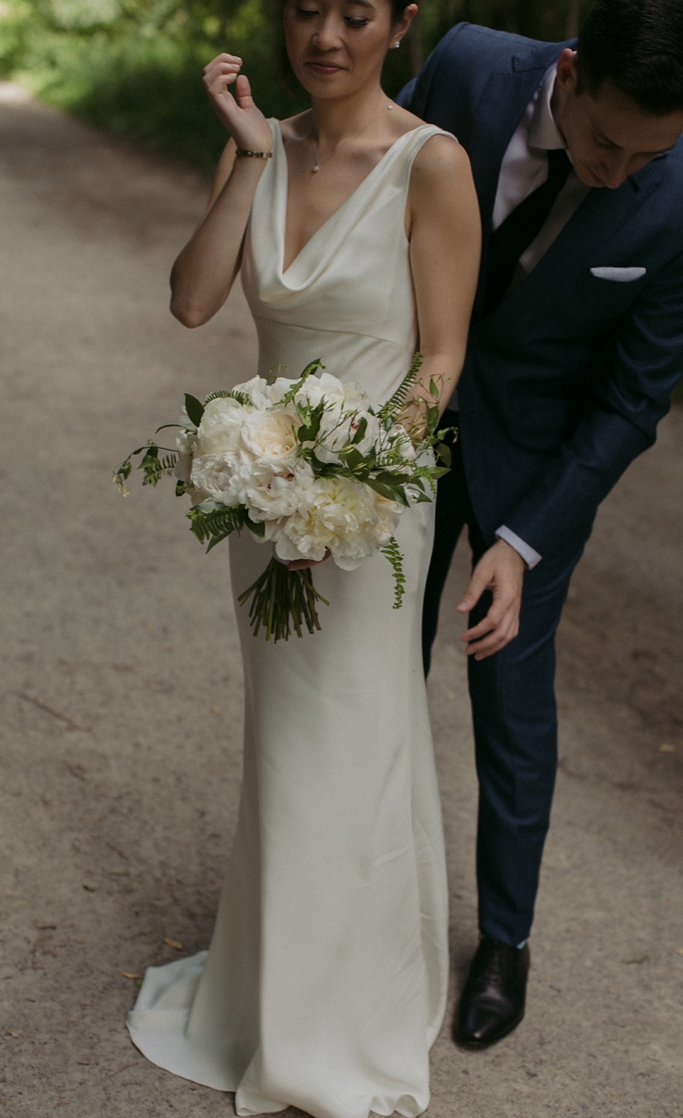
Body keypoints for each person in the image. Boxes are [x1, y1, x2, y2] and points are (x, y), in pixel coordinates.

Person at [124, 2, 481, 1115]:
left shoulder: (433, 163)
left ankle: (347, 1014)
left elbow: (439, 356)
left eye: (355, 12)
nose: (325, 34)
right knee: (286, 746)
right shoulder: (269, 146)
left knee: (352, 738)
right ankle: (272, 990)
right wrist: (246, 153)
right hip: (260, 499)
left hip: (367, 512)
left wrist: (356, 480)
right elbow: (192, 303)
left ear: (400, 21)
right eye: (305, 11)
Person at [402, 0, 683, 1050]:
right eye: (605, 141)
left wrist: (523, 542)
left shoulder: (675, 191)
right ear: (568, 70)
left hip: (539, 470)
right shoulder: (469, 67)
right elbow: (370, 202)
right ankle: (356, 897)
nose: (618, 172)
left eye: (649, 153)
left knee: (512, 699)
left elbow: (628, 402)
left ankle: (506, 942)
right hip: (405, 425)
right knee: (373, 663)